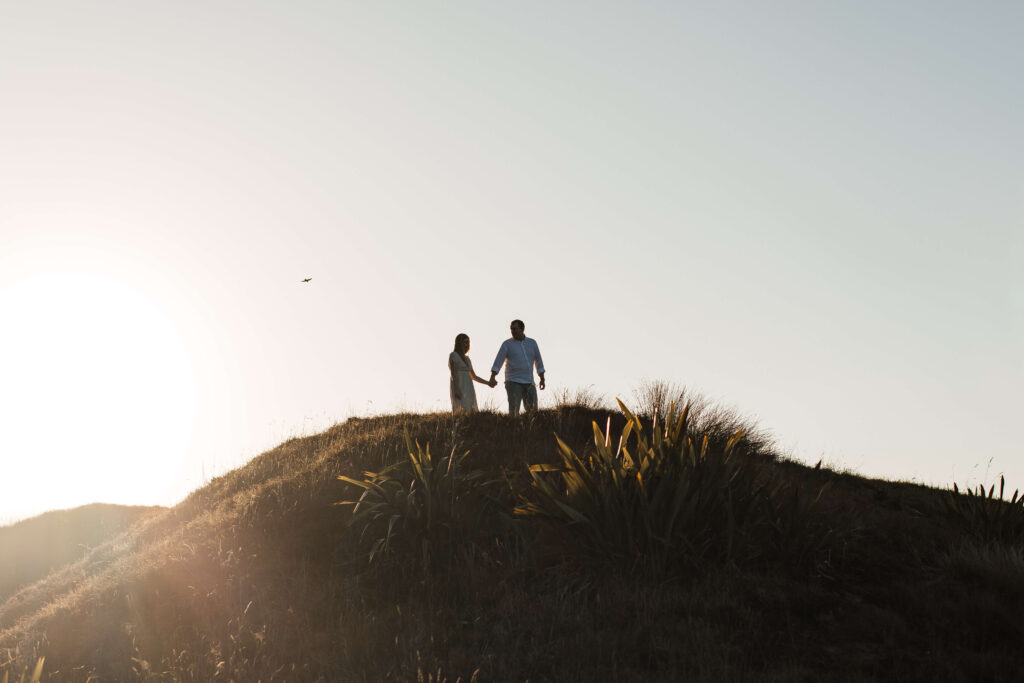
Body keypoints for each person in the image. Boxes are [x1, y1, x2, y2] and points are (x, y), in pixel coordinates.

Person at [489, 319, 545, 416]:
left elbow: (538, 361)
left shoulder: (532, 343)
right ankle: (513, 429)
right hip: (513, 382)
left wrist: (542, 378)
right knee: (514, 411)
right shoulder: (507, 344)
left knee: (533, 412)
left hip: (529, 382)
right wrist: (493, 376)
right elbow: (498, 361)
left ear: (522, 329)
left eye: (515, 329)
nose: (512, 331)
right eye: (511, 329)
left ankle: (530, 430)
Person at [449, 333, 496, 413]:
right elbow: (453, 373)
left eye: (468, 342)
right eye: (465, 342)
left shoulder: (467, 359)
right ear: (459, 343)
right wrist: (457, 389)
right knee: (459, 409)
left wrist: (488, 383)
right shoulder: (453, 355)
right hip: (459, 385)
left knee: (470, 409)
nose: (467, 344)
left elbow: (474, 376)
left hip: (468, 386)